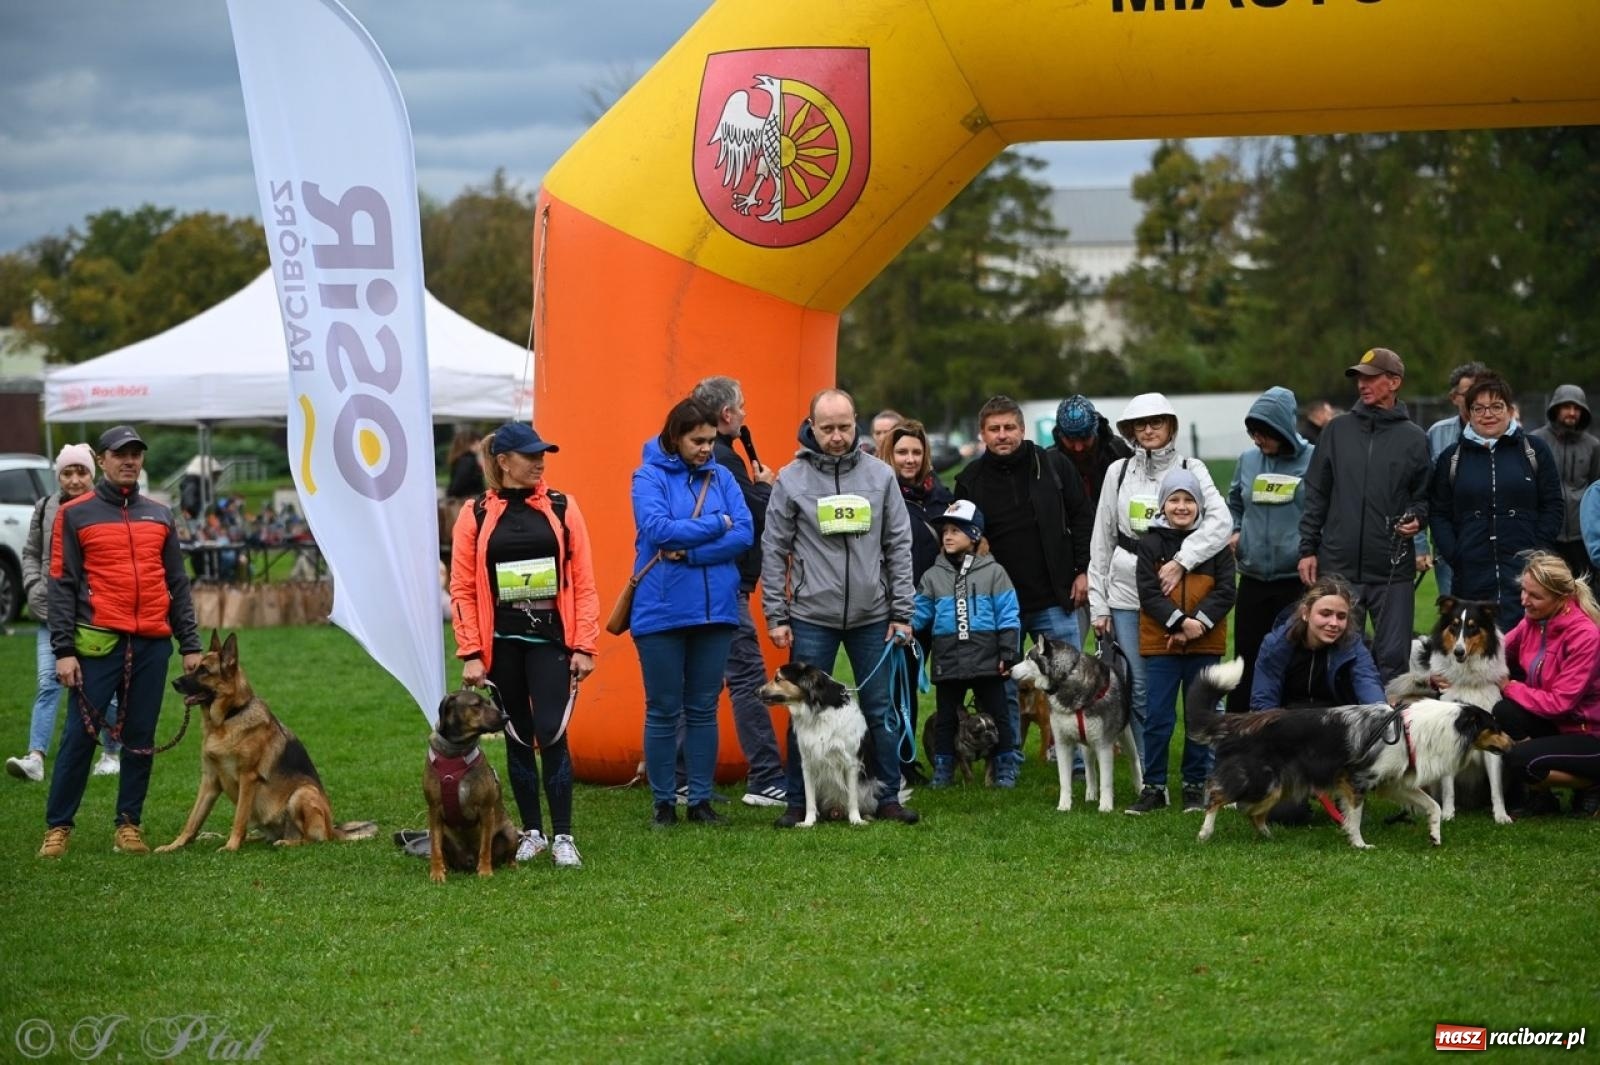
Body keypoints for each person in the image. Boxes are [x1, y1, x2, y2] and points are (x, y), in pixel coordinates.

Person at [38, 426, 202, 858]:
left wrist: (190, 644)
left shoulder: (160, 514)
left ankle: (128, 824)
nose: (129, 461)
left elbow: (177, 583)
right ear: (103, 460)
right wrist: (63, 650)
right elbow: (61, 584)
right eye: (120, 454)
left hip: (152, 644)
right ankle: (58, 827)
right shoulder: (75, 515)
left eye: (136, 454)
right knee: (79, 736)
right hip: (96, 644)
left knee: (140, 736)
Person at [762, 387, 920, 826]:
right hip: (812, 615)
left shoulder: (881, 476)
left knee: (880, 710)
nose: (837, 436)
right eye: (827, 428)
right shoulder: (792, 479)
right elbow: (774, 549)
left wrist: (902, 612)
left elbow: (899, 544)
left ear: (857, 423)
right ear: (811, 427)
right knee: (802, 714)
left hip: (874, 616)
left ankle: (885, 796)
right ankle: (799, 803)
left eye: (845, 427)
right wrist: (776, 615)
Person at [450, 422, 600, 867]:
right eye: (530, 455)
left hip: (551, 638)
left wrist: (584, 644)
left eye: (543, 454)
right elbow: (462, 589)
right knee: (516, 733)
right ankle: (532, 832)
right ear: (503, 462)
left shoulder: (561, 506)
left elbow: (584, 582)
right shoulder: (474, 514)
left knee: (552, 731)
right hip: (501, 643)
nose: (540, 462)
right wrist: (472, 653)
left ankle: (565, 837)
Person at [629, 398, 753, 828]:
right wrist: (717, 524)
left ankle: (700, 800)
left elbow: (746, 533)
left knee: (703, 708)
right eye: (697, 440)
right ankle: (663, 803)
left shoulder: (722, 476)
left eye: (711, 440)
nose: (706, 448)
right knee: (663, 709)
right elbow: (658, 531)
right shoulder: (647, 476)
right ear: (675, 436)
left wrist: (694, 555)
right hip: (660, 611)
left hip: (715, 610)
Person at [955, 395, 1093, 779]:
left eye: (1009, 427)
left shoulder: (1052, 465)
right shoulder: (970, 479)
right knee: (1002, 686)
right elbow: (959, 538)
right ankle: (1006, 760)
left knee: (1067, 680)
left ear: (1022, 429)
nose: (1003, 436)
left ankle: (1079, 761)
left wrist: (1083, 570)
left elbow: (1083, 517)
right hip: (999, 604)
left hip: (1055, 594)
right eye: (994, 429)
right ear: (982, 434)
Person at [1088, 393, 1231, 764]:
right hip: (1125, 590)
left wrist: (1182, 561)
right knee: (1138, 690)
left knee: (1198, 689)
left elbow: (1221, 523)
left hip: (1183, 591)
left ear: (1171, 426)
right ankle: (1148, 774)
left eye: (1157, 423)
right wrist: (1097, 604)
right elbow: (1102, 538)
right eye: (1140, 424)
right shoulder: (1117, 471)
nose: (1148, 430)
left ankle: (1202, 773)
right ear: (1130, 430)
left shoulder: (1192, 466)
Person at [1297, 347, 1432, 684]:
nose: (1362, 384)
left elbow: (1425, 497)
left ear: (1395, 382)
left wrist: (1418, 516)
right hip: (1338, 566)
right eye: (1359, 377)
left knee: (1392, 662)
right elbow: (1316, 493)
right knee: (1336, 658)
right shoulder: (1336, 431)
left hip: (1392, 569)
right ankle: (1341, 735)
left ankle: (1390, 734)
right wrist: (1307, 548)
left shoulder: (1415, 438)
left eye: (1371, 377)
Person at [690, 375, 786, 809]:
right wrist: (766, 486)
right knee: (747, 678)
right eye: (742, 407)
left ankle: (678, 776)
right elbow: (752, 519)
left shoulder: (689, 458)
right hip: (726, 584)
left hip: (705, 584)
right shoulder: (726, 461)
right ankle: (766, 776)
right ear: (727, 415)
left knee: (697, 682)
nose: (745, 414)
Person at [7, 444, 120, 784]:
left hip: (93, 616)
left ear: (92, 474)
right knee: (48, 683)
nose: (74, 479)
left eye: (81, 472)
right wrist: (33, 585)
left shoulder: (104, 509)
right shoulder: (45, 508)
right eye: (67, 473)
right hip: (51, 614)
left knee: (100, 689)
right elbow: (30, 552)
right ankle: (36, 758)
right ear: (58, 476)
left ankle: (112, 751)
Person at [1126, 467, 1235, 815]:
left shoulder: (1214, 544)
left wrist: (1198, 624)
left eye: (1189, 500)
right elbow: (1148, 592)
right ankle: (1154, 786)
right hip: (1162, 644)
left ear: (1200, 506)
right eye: (1174, 499)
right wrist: (1177, 623)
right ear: (1163, 506)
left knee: (1199, 716)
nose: (1182, 506)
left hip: (1205, 643)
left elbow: (1226, 591)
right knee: (1158, 716)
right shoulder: (1150, 544)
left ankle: (1194, 784)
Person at [1248, 574, 1386, 825]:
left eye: (1341, 617)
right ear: (1305, 613)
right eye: (1325, 614)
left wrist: (1382, 715)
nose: (1334, 623)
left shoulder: (1353, 645)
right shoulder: (1275, 644)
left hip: (1335, 734)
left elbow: (1369, 684)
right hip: (1288, 732)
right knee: (1287, 815)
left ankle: (1333, 784)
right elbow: (1262, 705)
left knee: (1357, 817)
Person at [1430, 372, 1561, 628]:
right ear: (1468, 413)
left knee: (1528, 643)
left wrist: (1538, 548)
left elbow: (1553, 504)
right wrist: (1455, 553)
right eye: (1479, 408)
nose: (1487, 414)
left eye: (1496, 407)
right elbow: (1439, 512)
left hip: (1525, 569)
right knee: (1476, 647)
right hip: (1471, 571)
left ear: (1510, 410)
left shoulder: (1534, 450)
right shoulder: (1451, 457)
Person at [912, 500, 1020, 788]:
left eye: (955, 531)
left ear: (973, 535)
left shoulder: (994, 573)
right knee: (947, 718)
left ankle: (1005, 767)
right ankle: (944, 770)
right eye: (945, 531)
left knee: (999, 714)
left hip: (987, 657)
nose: (947, 536)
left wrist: (1009, 653)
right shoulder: (933, 576)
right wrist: (903, 626)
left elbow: (1009, 615)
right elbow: (919, 612)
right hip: (949, 659)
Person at [1487, 552, 1600, 819]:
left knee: (1519, 761)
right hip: (1560, 725)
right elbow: (1495, 652)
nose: (1524, 600)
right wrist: (1443, 674)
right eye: (1524, 591)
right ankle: (1544, 795)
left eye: (1535, 596)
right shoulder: (1534, 622)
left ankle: (1593, 782)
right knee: (1504, 711)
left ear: (1561, 599)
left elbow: (1560, 702)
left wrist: (1510, 686)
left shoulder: (1585, 636)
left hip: (1590, 734)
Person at [1225, 386, 1314, 713]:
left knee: (1292, 657)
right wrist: (1235, 530)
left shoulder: (1314, 459)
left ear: (1282, 429)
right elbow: (1233, 502)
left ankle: (1286, 727)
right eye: (1252, 432)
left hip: (1296, 580)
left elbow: (1322, 510)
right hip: (1252, 578)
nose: (1257, 440)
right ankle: (1238, 731)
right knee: (1247, 656)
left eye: (1264, 433)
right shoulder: (1248, 461)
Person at [887, 418, 954, 783]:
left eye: (915, 451)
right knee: (901, 686)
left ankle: (943, 756)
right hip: (900, 607)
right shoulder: (882, 494)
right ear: (889, 454)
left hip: (938, 605)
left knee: (943, 683)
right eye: (901, 452)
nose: (909, 459)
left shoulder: (941, 497)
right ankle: (897, 761)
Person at [1051, 394, 1133, 645]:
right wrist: (1081, 569)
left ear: (1096, 430)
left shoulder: (1119, 453)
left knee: (1121, 648)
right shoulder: (1049, 462)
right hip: (1073, 571)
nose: (1077, 448)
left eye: (1084, 439)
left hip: (1118, 562)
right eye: (1070, 440)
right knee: (1066, 651)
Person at [1425, 362, 1489, 595]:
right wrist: (1421, 545)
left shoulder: (1508, 434)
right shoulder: (1436, 434)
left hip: (1493, 542)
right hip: (1449, 541)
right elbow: (1422, 490)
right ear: (1454, 398)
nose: (1475, 398)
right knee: (1453, 612)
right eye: (1468, 391)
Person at [1530, 384, 1600, 582]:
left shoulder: (1593, 445)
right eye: (1566, 407)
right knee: (1549, 589)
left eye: (1577, 408)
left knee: (1585, 590)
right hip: (1547, 533)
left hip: (1581, 536)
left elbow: (1595, 489)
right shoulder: (1536, 440)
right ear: (1555, 408)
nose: (1572, 412)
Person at [445, 427, 487, 500]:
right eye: (478, 442)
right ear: (471, 443)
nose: (480, 445)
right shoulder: (468, 460)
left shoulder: (462, 459)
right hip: (469, 501)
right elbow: (458, 484)